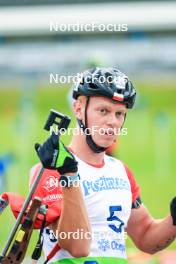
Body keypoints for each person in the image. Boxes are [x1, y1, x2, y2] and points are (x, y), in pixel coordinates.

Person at [31, 67, 176, 264]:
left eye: (119, 113)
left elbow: (146, 238)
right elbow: (78, 246)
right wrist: (69, 173)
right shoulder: (50, 169)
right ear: (79, 108)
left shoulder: (121, 170)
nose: (112, 122)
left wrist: (173, 219)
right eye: (103, 111)